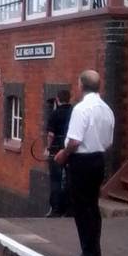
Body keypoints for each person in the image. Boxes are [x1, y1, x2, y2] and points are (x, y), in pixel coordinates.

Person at [53, 70, 114, 256]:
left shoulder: (81, 109)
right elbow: (109, 141)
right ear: (99, 86)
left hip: (82, 162)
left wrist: (63, 154)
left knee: (81, 207)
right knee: (92, 207)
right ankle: (93, 252)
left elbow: (75, 141)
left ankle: (89, 254)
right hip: (99, 159)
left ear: (81, 85)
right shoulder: (107, 109)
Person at [45, 88, 73, 217]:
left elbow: (50, 134)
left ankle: (56, 209)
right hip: (71, 149)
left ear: (57, 99)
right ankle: (69, 208)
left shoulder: (54, 114)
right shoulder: (74, 112)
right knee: (69, 178)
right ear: (69, 99)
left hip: (56, 148)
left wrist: (48, 148)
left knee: (55, 179)